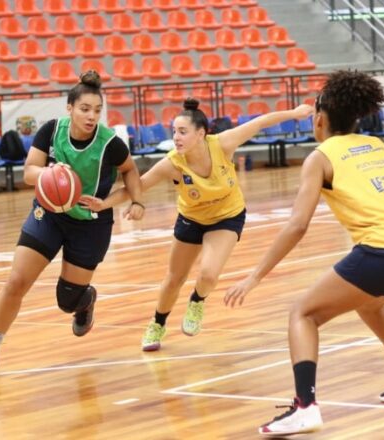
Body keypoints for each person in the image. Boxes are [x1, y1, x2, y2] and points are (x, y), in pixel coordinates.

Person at [222, 70, 384, 437]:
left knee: (302, 314)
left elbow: (297, 226)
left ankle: (305, 407)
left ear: (320, 118)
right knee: (369, 303)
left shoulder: (320, 157)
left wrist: (254, 275)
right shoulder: (376, 145)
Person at [81, 99, 314, 351]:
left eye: (183, 132)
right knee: (173, 279)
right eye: (174, 132)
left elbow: (261, 122)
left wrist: (294, 113)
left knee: (208, 274)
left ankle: (197, 301)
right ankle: (157, 323)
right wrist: (103, 204)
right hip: (191, 219)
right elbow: (136, 186)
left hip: (227, 216)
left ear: (201, 133)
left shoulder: (223, 144)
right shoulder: (172, 163)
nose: (176, 137)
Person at [0, 71, 144, 377]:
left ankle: (85, 300)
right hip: (49, 214)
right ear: (69, 109)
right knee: (16, 281)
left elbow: (130, 170)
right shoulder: (51, 131)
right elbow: (29, 171)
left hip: (90, 222)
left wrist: (133, 202)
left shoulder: (109, 142)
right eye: (85, 109)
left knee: (67, 300)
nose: (91, 116)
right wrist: (49, 173)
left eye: (97, 111)